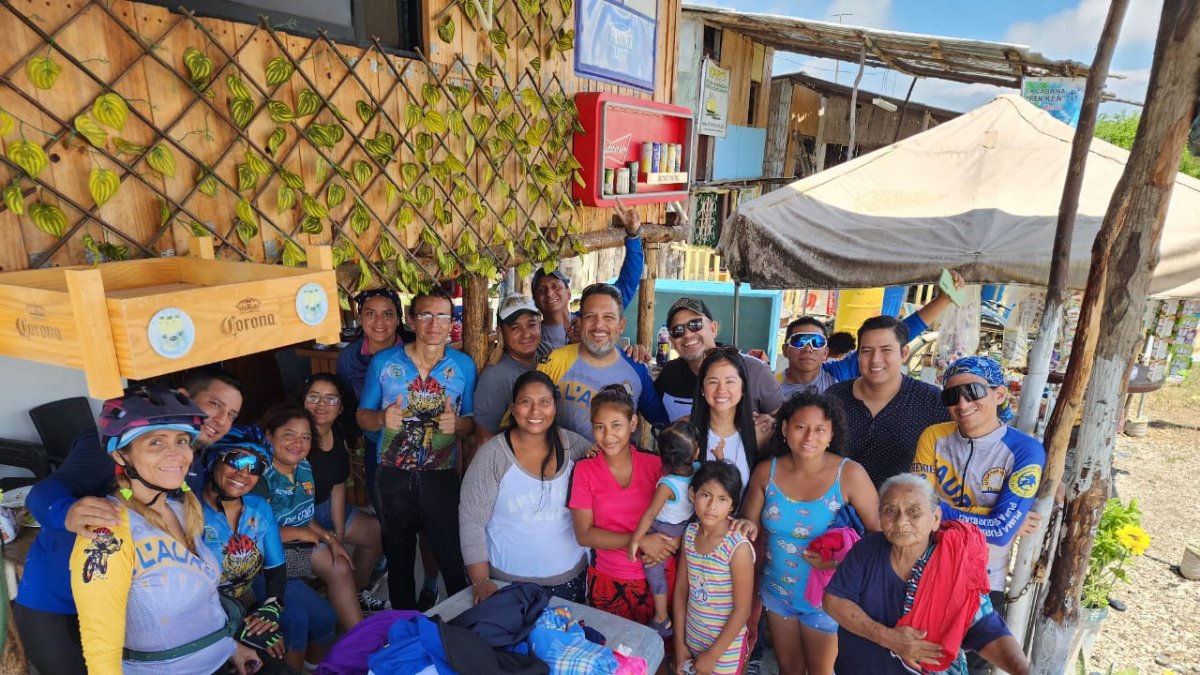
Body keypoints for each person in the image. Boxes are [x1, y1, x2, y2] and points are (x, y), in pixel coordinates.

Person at [15, 366, 243, 674]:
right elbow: (43, 493)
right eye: (215, 404)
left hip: (135, 606)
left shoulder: (188, 469)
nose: (221, 420)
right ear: (184, 398)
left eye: (231, 414)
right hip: (59, 599)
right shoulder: (111, 446)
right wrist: (66, 512)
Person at [70, 387, 258, 674]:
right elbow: (100, 647)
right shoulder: (108, 533)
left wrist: (231, 646)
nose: (177, 454)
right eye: (156, 443)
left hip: (221, 659)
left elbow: (204, 603)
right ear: (121, 455)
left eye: (181, 441)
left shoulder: (183, 510)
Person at [911, 356, 1045, 675]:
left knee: (972, 668)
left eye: (973, 391)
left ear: (1000, 394)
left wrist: (938, 512)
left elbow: (998, 531)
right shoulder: (933, 436)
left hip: (983, 581)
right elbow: (916, 511)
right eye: (951, 396)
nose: (962, 403)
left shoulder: (1025, 450)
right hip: (924, 570)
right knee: (917, 662)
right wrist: (987, 515)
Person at [823, 475, 1030, 675]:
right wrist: (889, 638)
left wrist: (1023, 670)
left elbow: (985, 628)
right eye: (890, 511)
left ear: (936, 518)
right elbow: (833, 601)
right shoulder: (867, 549)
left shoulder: (955, 565)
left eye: (914, 512)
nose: (901, 521)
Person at [740, 392, 881, 675]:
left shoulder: (850, 475)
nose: (809, 437)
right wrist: (746, 526)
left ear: (831, 434)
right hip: (778, 592)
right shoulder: (766, 472)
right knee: (788, 668)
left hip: (830, 597)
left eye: (820, 429)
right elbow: (748, 525)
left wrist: (839, 564)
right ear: (784, 429)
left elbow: (878, 538)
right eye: (800, 427)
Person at [356, 286, 476, 609]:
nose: (434, 323)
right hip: (393, 476)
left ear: (452, 322)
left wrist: (459, 426)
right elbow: (361, 417)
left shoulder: (463, 366)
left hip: (442, 475)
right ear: (411, 320)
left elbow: (471, 421)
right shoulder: (384, 362)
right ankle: (405, 633)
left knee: (452, 558)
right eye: (425, 315)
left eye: (442, 316)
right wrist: (382, 418)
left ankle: (466, 631)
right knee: (399, 559)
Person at [459, 371, 594, 604]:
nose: (535, 411)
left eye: (544, 402)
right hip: (505, 584)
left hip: (570, 581)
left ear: (554, 408)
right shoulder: (492, 455)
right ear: (513, 408)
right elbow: (471, 520)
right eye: (525, 402)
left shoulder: (576, 447)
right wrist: (481, 581)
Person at [568, 385, 680, 624]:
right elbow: (584, 534)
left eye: (616, 425)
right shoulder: (585, 470)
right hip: (610, 581)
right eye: (600, 427)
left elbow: (684, 513)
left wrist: (671, 545)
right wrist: (638, 541)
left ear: (633, 423)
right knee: (615, 654)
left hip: (660, 575)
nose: (608, 436)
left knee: (659, 651)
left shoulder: (655, 465)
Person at [253, 404, 362, 646]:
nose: (298, 443)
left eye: (305, 437)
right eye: (289, 435)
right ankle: (352, 640)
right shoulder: (260, 476)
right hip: (265, 560)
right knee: (316, 615)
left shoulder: (303, 466)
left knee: (340, 563)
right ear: (269, 436)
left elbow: (301, 513)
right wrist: (302, 533)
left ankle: (359, 639)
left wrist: (329, 538)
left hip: (297, 549)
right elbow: (253, 533)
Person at [780, 277, 964, 396]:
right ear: (785, 349)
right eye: (799, 341)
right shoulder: (768, 387)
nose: (808, 348)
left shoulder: (838, 374)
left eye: (816, 342)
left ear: (826, 352)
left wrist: (942, 300)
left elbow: (899, 333)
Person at [825, 316, 951, 487]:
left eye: (886, 350)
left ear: (904, 353)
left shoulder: (931, 401)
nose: (875, 359)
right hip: (836, 505)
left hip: (900, 508)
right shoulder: (835, 397)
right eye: (867, 351)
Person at [200, 435, 289, 668]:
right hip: (200, 617)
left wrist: (271, 608)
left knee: (277, 652)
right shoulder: (188, 512)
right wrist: (237, 632)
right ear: (214, 461)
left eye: (255, 468)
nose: (244, 474)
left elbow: (276, 568)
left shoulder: (259, 507)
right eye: (236, 460)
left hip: (244, 606)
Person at [537, 282, 668, 441]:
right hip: (566, 464)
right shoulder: (553, 361)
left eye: (608, 317)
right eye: (590, 316)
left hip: (619, 465)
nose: (598, 325)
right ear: (580, 322)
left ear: (621, 325)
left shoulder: (636, 366)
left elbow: (663, 423)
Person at [302, 374, 386, 611]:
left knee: (377, 532)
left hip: (325, 508)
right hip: (294, 521)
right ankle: (339, 608)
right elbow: (288, 505)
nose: (321, 404)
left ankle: (350, 598)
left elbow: (338, 484)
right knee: (337, 562)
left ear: (341, 408)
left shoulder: (336, 434)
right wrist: (328, 538)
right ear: (303, 401)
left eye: (330, 399)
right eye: (314, 397)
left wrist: (338, 530)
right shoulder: (293, 437)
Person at [654, 298, 783, 443]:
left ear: (713, 328)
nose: (688, 334)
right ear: (672, 341)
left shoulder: (755, 371)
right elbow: (649, 409)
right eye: (677, 330)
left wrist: (770, 422)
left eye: (695, 325)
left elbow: (783, 421)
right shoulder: (669, 374)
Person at [671, 461, 755, 675]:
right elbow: (681, 591)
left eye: (722, 499)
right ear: (692, 494)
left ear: (733, 505)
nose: (712, 506)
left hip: (724, 650)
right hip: (691, 639)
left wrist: (713, 656)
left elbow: (742, 609)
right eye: (705, 495)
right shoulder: (690, 534)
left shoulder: (737, 546)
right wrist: (679, 644)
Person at [533, 200, 645, 351]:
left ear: (568, 292)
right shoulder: (532, 337)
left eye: (555, 286)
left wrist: (633, 235)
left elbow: (628, 282)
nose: (549, 293)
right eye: (541, 290)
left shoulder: (590, 319)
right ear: (535, 301)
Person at [628, 420, 702, 636]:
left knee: (653, 566)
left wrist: (635, 540)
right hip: (685, 527)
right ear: (695, 453)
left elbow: (650, 514)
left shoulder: (667, 485)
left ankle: (661, 617)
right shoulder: (698, 470)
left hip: (664, 528)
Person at [473, 293, 546, 441]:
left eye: (531, 325)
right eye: (515, 328)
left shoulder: (548, 353)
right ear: (500, 332)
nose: (526, 334)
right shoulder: (496, 377)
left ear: (539, 325)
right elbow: (484, 438)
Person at [690, 346, 761, 492]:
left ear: (743, 387)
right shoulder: (685, 431)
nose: (721, 389)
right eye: (713, 382)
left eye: (730, 381)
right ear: (702, 389)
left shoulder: (759, 434)